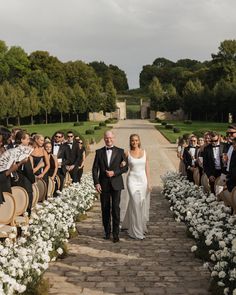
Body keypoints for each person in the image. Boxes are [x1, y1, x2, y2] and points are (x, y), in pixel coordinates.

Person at [92, 130, 128, 243]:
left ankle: (116, 234)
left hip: (116, 184)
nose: (109, 140)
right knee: (105, 208)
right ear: (104, 138)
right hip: (103, 184)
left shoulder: (120, 151)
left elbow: (125, 168)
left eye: (111, 138)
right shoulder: (99, 152)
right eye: (107, 138)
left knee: (116, 209)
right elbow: (95, 169)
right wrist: (97, 183)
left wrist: (115, 172)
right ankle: (107, 232)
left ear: (114, 138)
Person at [122, 134, 151, 240]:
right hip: (132, 181)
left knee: (140, 204)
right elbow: (123, 166)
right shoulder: (127, 153)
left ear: (139, 141)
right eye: (132, 141)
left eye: (136, 140)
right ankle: (136, 231)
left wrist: (149, 183)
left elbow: (147, 168)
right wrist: (122, 164)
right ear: (130, 142)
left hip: (143, 181)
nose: (134, 142)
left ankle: (129, 223)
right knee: (135, 203)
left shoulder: (145, 152)